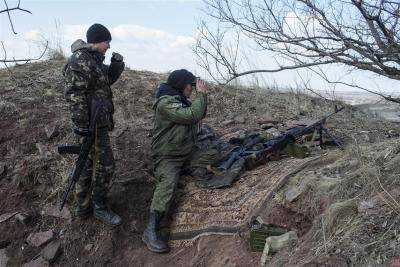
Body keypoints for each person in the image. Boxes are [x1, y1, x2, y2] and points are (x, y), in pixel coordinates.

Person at [142, 69, 220, 253]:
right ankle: (151, 230)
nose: (192, 90)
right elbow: (191, 115)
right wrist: (202, 95)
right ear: (182, 86)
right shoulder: (165, 103)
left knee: (214, 152)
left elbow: (198, 115)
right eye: (190, 86)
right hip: (167, 156)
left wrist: (202, 98)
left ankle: (186, 169)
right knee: (168, 184)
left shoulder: (179, 100)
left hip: (185, 152)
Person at [63, 23, 125, 226]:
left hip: (97, 123)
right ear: (97, 41)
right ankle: (98, 207)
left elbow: (105, 80)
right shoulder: (80, 60)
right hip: (90, 126)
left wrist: (116, 66)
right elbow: (75, 94)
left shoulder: (94, 60)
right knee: (105, 166)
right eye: (107, 41)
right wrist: (82, 124)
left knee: (88, 165)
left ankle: (83, 206)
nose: (108, 46)